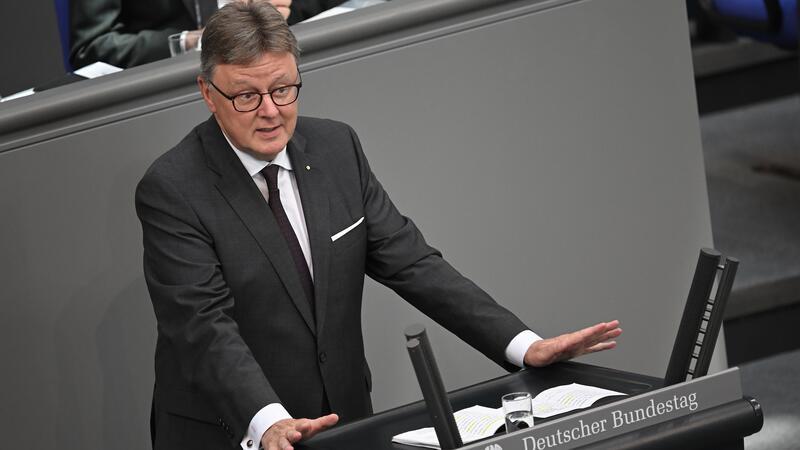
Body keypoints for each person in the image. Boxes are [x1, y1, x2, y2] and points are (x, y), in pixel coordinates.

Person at [134, 3, 622, 450]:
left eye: (283, 89)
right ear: (208, 94)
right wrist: (267, 420)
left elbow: (411, 261)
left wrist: (524, 346)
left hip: (341, 420)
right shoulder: (173, 189)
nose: (270, 111)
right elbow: (202, 325)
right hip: (233, 431)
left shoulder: (335, 148)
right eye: (246, 95)